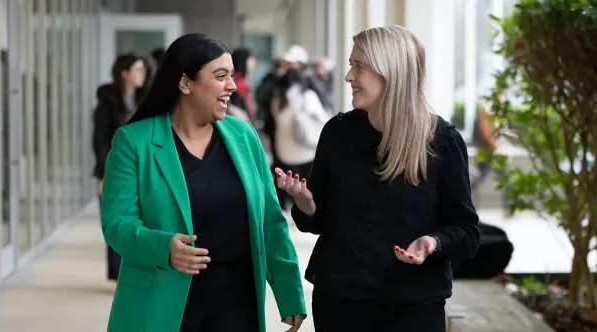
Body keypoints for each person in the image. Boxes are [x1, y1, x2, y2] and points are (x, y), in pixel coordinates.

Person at [276, 25, 481, 331]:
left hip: (413, 307)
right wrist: (306, 202)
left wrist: (433, 243)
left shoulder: (441, 141)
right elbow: (319, 222)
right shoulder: (337, 133)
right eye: (350, 66)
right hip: (340, 301)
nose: (348, 77)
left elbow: (467, 232)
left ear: (391, 71)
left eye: (359, 66)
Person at [100, 33, 306, 332]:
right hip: (162, 302)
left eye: (232, 76)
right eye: (221, 76)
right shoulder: (134, 142)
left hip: (237, 303)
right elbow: (117, 223)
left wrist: (290, 295)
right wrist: (162, 247)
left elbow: (270, 223)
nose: (232, 86)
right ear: (185, 83)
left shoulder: (244, 136)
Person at [92, 53, 148, 282]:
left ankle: (134, 268)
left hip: (141, 170)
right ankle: (118, 273)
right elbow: (99, 140)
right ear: (124, 73)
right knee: (116, 219)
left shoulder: (144, 101)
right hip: (112, 171)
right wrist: (105, 172)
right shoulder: (108, 104)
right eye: (137, 69)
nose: (142, 74)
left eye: (143, 70)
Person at [271, 68, 328, 209]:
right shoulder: (308, 96)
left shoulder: (277, 99)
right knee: (308, 184)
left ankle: (287, 207)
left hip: (283, 152)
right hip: (306, 152)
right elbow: (322, 119)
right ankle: (306, 209)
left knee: (288, 182)